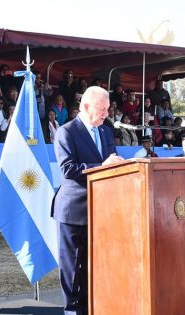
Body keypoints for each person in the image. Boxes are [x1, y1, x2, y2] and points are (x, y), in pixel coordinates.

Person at [52, 86, 124, 315]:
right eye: (101, 109)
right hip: (73, 210)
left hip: (101, 210)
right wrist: (101, 167)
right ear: (85, 106)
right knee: (72, 266)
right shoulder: (67, 131)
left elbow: (111, 162)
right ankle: (72, 310)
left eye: (107, 109)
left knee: (94, 265)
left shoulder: (105, 132)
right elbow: (68, 169)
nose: (106, 113)